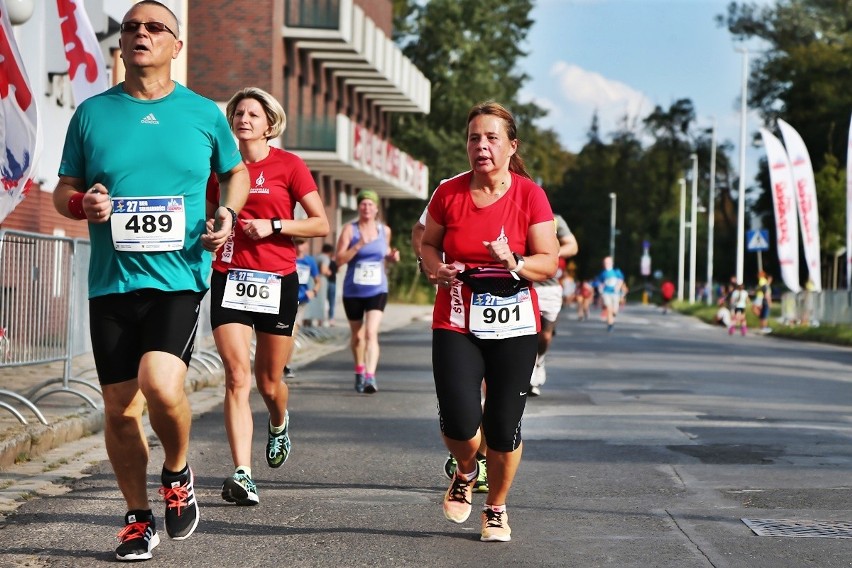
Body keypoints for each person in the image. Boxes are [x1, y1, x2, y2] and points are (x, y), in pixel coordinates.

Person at [52, 1, 250, 561]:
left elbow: (236, 172)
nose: (142, 34)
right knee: (118, 410)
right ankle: (138, 518)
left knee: (160, 383)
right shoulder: (92, 114)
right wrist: (79, 202)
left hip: (178, 276)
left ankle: (178, 470)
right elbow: (62, 188)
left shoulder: (203, 115)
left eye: (155, 27)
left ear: (176, 46)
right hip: (110, 282)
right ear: (121, 45)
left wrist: (227, 216)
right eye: (132, 27)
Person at [419, 101, 558, 542]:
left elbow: (548, 262)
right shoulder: (449, 193)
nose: (481, 146)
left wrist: (514, 261)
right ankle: (465, 469)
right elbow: (428, 245)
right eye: (474, 138)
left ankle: (495, 508)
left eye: (491, 137)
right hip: (457, 316)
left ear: (511, 145)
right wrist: (434, 268)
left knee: (503, 425)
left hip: (514, 324)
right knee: (460, 422)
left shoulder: (529, 195)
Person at [207, 87, 329, 508]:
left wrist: (276, 225)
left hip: (276, 281)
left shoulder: (290, 166)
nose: (243, 118)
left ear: (269, 123)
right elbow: (211, 217)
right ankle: (243, 473)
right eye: (238, 112)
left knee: (268, 382)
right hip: (229, 276)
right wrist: (210, 234)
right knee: (237, 377)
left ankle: (279, 422)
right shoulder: (220, 168)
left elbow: (320, 224)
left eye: (252, 114)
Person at [335, 189, 400, 394]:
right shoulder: (349, 230)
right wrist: (358, 245)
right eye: (363, 204)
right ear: (358, 207)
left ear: (376, 209)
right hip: (353, 290)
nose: (367, 208)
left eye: (370, 204)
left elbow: (385, 252)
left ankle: (370, 377)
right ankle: (359, 370)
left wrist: (391, 257)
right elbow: (339, 259)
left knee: (371, 333)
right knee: (358, 336)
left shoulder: (384, 230)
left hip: (377, 289)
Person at [529, 215, 578, 397]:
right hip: (522, 285)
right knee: (524, 334)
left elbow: (573, 246)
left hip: (549, 288)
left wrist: (550, 253)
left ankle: (539, 360)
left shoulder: (554, 219)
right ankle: (526, 377)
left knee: (545, 335)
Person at [283, 237, 322, 377]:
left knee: (292, 332)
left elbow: (318, 281)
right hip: (284, 298)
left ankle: (286, 365)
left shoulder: (310, 261)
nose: (299, 247)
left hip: (301, 300)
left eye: (302, 243)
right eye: (297, 243)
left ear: (306, 245)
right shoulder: (287, 257)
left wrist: (314, 291)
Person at [597, 256, 625, 332]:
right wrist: (601, 290)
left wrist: (618, 286)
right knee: (609, 309)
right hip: (606, 293)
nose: (606, 264)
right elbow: (600, 282)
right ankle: (610, 324)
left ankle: (612, 317)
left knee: (614, 310)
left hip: (615, 293)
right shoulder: (603, 273)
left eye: (608, 262)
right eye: (605, 262)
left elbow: (621, 279)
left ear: (612, 263)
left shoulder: (616, 271)